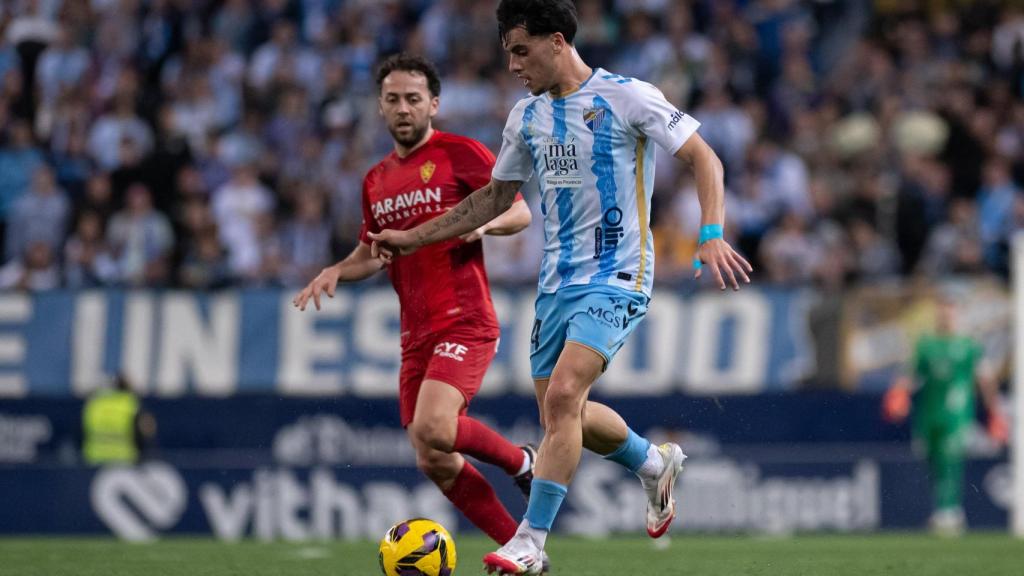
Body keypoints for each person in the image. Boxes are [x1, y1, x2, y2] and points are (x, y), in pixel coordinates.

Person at [367, 2, 752, 573]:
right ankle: (653, 463)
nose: (514, 65)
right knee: (563, 416)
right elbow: (494, 198)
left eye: (521, 51)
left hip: (619, 274)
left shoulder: (628, 96)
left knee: (566, 394)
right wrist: (413, 237)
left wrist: (712, 232)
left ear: (557, 41)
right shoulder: (526, 117)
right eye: (509, 54)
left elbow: (704, 157)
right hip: (556, 284)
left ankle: (530, 541)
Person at [292, 53, 544, 561]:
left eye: (413, 98)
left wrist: (484, 224)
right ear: (380, 107)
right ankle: (524, 553)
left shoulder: (459, 153)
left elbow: (518, 212)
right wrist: (337, 269)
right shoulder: (376, 180)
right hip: (415, 334)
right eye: (393, 99)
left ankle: (523, 463)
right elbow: (373, 253)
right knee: (433, 457)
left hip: (465, 319)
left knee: (434, 426)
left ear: (433, 104)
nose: (403, 108)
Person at [883, 294, 1008, 536]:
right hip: (928, 413)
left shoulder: (969, 345)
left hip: (956, 414)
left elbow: (985, 379)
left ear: (958, 315)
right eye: (942, 312)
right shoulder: (926, 345)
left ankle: (950, 512)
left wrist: (994, 411)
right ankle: (944, 509)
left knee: (950, 458)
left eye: (950, 312)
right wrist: (898, 393)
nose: (946, 316)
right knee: (932, 459)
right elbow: (910, 374)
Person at [82, 373, 156, 465]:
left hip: (94, 460)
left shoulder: (95, 404)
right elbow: (145, 431)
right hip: (124, 460)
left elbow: (81, 432)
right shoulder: (131, 404)